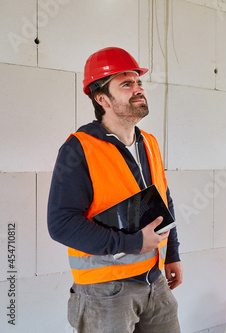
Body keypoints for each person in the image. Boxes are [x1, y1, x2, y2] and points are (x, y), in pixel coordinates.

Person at [47, 47, 182, 333]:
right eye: (126, 84)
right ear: (101, 98)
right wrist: (132, 244)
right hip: (105, 292)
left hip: (154, 282)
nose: (138, 89)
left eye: (138, 82)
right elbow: (61, 225)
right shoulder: (79, 149)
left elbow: (163, 202)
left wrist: (172, 253)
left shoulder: (149, 143)